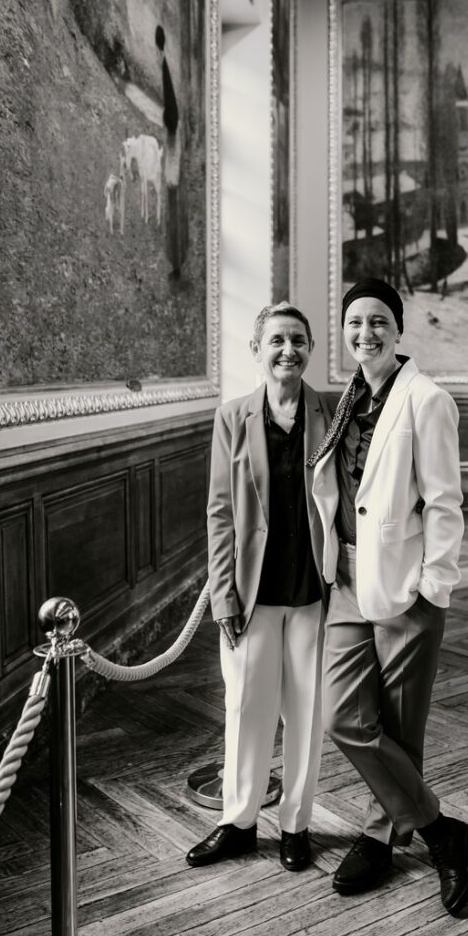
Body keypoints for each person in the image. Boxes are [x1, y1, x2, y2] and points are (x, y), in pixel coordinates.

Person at [307, 277, 468, 915]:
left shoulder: (425, 400)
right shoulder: (346, 400)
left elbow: (445, 502)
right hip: (347, 579)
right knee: (344, 718)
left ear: (398, 330)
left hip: (407, 587)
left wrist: (433, 589)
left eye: (378, 321)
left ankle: (382, 836)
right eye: (355, 323)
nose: (365, 334)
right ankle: (440, 830)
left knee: (401, 730)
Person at [186, 302, 333, 872]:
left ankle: (296, 824)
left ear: (310, 348)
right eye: (276, 340)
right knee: (246, 707)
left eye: (298, 339)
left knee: (306, 711)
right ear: (257, 350)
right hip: (251, 595)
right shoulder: (232, 418)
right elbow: (219, 514)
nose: (287, 350)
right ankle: (238, 822)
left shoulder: (332, 411)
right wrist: (223, 595)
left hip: (315, 592)